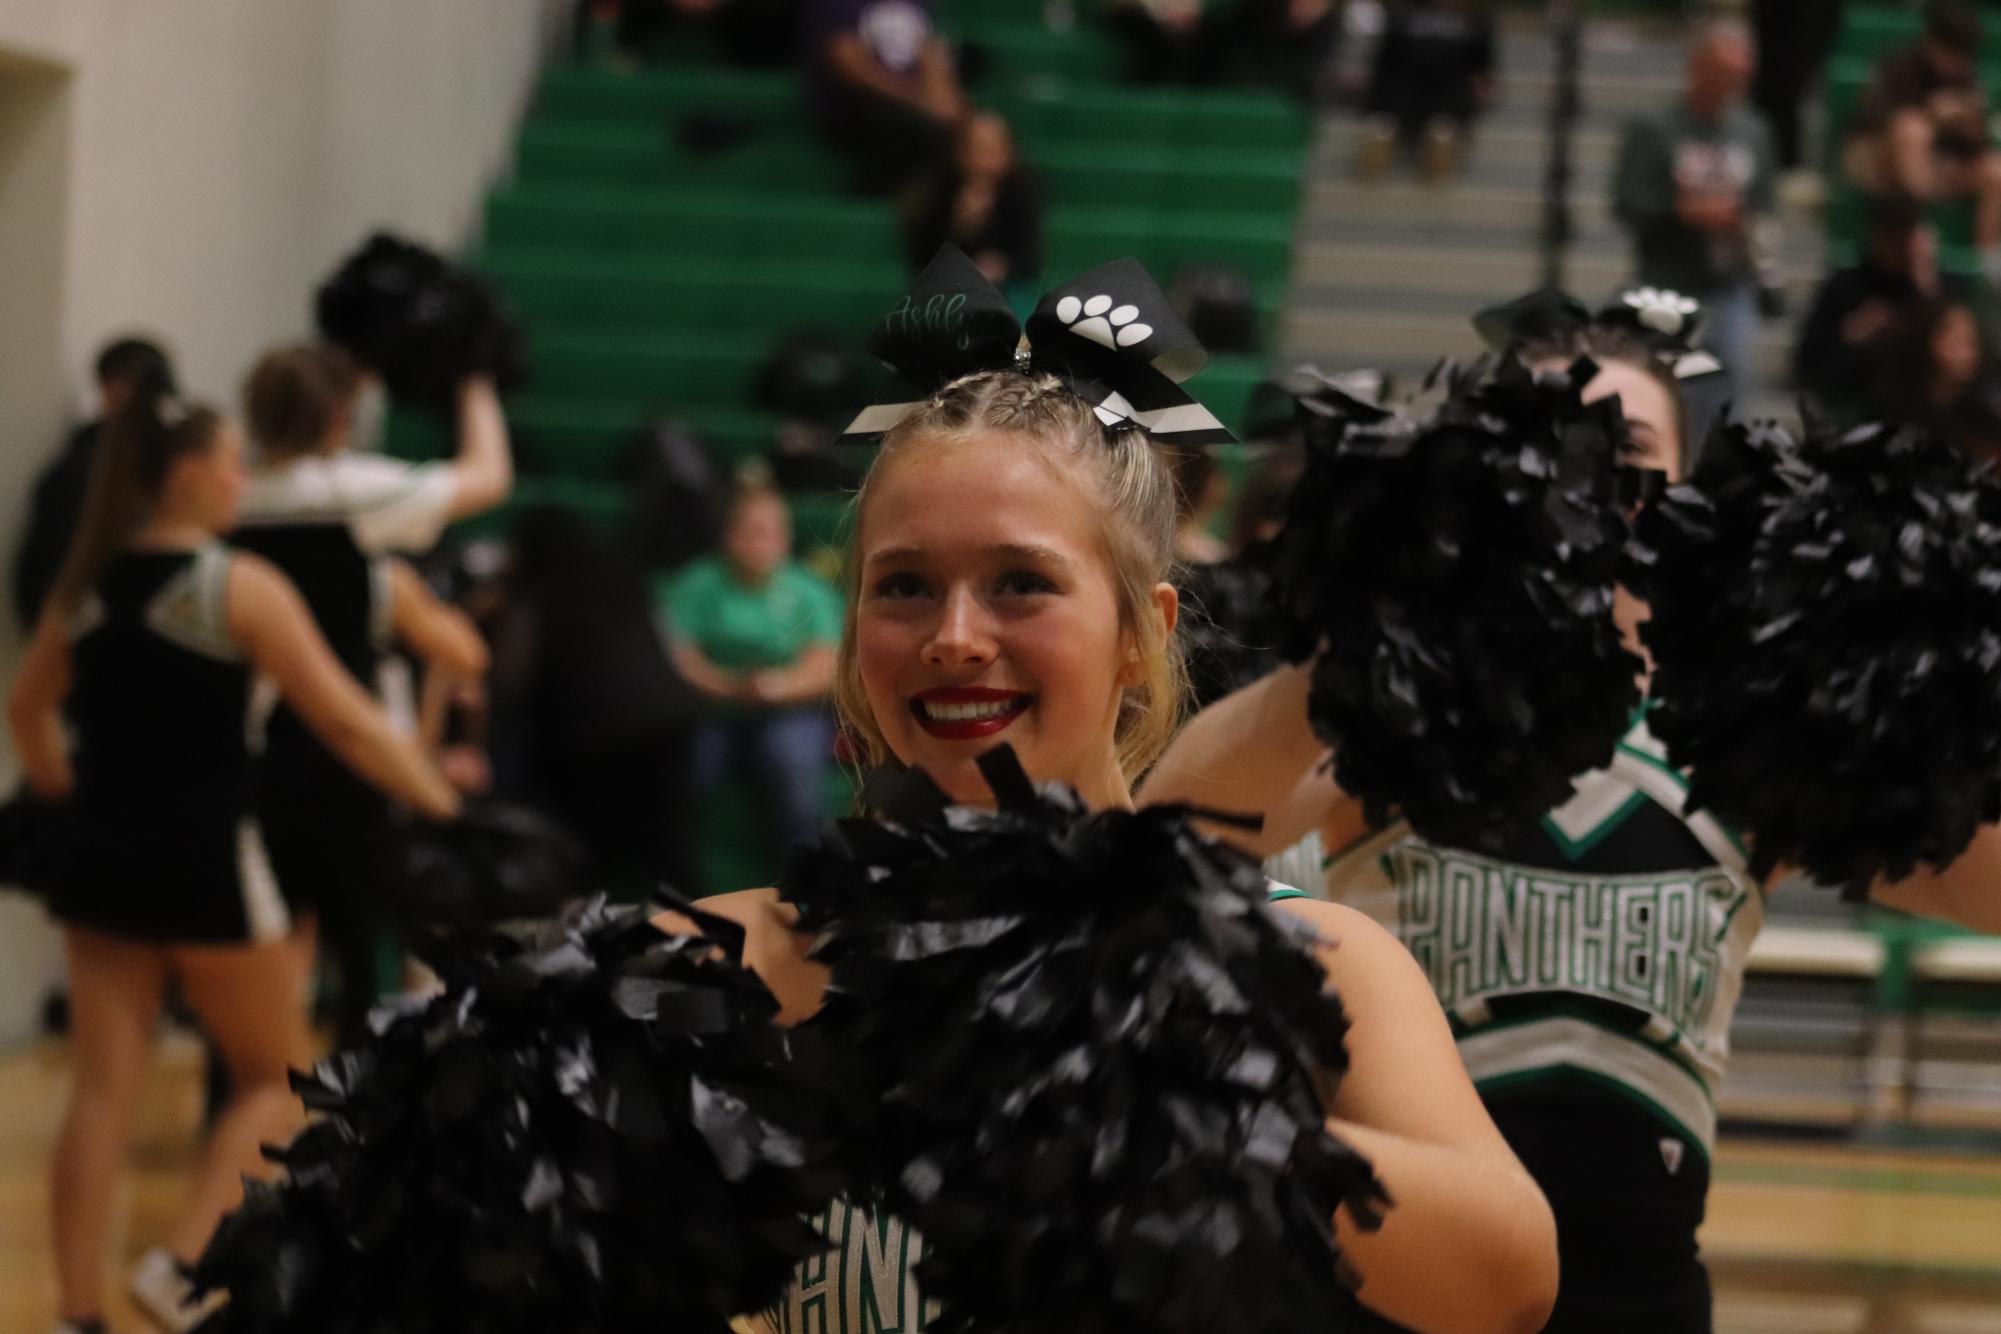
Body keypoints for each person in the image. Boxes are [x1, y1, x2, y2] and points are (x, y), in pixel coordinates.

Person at [658, 258, 1561, 1329]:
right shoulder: (726, 961)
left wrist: (1178, 1105)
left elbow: (1507, 1280)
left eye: (1020, 582)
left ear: (1144, 634)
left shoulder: (1309, 965)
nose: (953, 636)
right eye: (903, 584)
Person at [1138, 319, 2001, 1332]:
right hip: (1403, 1294)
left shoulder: (1737, 732)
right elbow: (1166, 848)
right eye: (1550, 442)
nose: (1588, 475)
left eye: (1627, 448)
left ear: (1681, 492)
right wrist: (1377, 654)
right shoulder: (1401, 708)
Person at [7, 390, 460, 1334]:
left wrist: (64, 792)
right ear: (188, 474)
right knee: (283, 1081)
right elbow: (343, 717)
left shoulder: (85, 586)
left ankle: (76, 1313)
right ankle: (179, 1267)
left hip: (101, 866)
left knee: (100, 1092)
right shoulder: (235, 587)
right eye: (229, 464)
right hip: (210, 862)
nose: (240, 480)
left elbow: (26, 712)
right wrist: (436, 797)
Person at [231, 345, 508, 1044]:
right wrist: (474, 365)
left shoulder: (225, 495)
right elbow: (486, 479)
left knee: (254, 956)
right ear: (337, 417)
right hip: (346, 754)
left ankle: (233, 1107)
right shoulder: (346, 499)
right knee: (357, 946)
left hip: (243, 752)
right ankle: (347, 1112)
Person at [661, 482, 843, 854]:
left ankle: (807, 879)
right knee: (683, 771)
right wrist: (728, 687)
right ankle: (677, 875)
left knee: (792, 768)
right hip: (711, 708)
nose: (762, 542)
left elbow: (826, 665)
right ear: (730, 535)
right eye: (751, 532)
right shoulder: (697, 584)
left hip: (790, 711)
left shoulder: (810, 591)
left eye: (772, 532)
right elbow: (678, 657)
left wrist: (774, 688)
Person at [1613, 19, 1779, 406]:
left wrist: (1745, 223)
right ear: (1697, 68)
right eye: (1723, 75)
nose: (1731, 87)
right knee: (1660, 387)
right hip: (1665, 277)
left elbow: (1766, 206)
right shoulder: (1654, 129)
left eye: (1739, 78)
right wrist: (1682, 211)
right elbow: (1626, 202)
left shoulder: (1754, 131)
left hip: (1729, 280)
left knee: (1727, 379)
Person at [13, 337, 176, 634]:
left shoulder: (175, 461)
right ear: (112, 387)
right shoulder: (80, 467)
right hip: (97, 627)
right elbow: (43, 571)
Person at [1843, 1, 2001, 252]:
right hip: (1888, 169)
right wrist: (1931, 115)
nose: (1956, 62)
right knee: (1913, 131)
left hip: (1942, 169)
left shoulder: (1966, 80)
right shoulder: (1898, 68)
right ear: (1933, 43)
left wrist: (1969, 127)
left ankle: (1987, 265)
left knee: (1996, 169)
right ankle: (1920, 235)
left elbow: (1976, 149)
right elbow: (1870, 122)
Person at [1794, 192, 1958, 414]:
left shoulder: (1941, 287)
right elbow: (1808, 365)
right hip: (1864, 405)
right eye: (1894, 237)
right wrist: (1852, 334)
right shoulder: (1846, 287)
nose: (1902, 247)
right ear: (1877, 237)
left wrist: (1926, 286)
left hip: (1935, 413)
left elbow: (1962, 351)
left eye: (1909, 236)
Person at [806, 0, 965, 195]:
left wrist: (944, 98)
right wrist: (916, 99)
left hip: (914, 102)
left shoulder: (920, 4)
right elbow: (846, 59)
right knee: (926, 131)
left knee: (976, 130)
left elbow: (931, 51)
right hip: (857, 102)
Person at [1358, 0, 1498, 182]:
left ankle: (1439, 141)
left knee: (1446, 115)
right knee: (1393, 96)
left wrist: (1486, 84)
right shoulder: (1401, 15)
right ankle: (1386, 133)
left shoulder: (1475, 20)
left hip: (1447, 93)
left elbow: (1483, 63)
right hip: (1404, 91)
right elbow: (1384, 59)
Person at [904, 112, 1045, 289]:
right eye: (978, 150)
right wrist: (960, 225)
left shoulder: (1021, 193)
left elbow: (1029, 257)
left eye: (993, 150)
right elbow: (922, 255)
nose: (985, 162)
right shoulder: (940, 191)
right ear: (960, 152)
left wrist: (1003, 265)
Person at [1878, 295, 2001, 459]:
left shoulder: (1981, 402)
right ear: (1925, 339)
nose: (1967, 352)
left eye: (1970, 340)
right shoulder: (1897, 406)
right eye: (1955, 340)